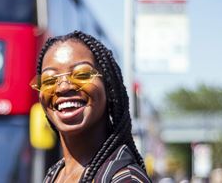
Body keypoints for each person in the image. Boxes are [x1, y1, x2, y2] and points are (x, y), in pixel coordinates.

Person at [31, 31, 151, 183]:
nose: (62, 88)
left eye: (81, 75)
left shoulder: (125, 179)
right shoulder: (54, 174)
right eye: (49, 80)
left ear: (108, 87)